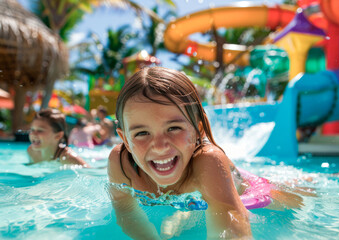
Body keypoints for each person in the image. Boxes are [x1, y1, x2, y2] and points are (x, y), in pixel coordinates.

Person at [107, 67, 304, 239]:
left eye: (174, 128)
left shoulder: (208, 161)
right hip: (195, 190)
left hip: (241, 184)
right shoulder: (122, 165)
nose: (159, 146)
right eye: (142, 133)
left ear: (198, 130)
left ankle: (303, 184)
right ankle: (185, 214)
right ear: (125, 139)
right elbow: (125, 213)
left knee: (295, 200)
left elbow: (232, 228)